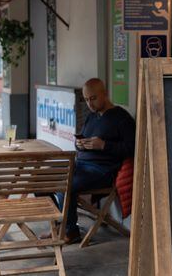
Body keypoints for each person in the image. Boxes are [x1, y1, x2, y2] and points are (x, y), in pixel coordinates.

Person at [48, 78, 136, 243]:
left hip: (102, 170)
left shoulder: (121, 118)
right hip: (81, 165)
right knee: (46, 179)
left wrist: (104, 145)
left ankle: (71, 231)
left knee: (65, 186)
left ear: (105, 93)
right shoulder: (92, 117)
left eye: (93, 98)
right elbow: (82, 141)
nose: (90, 103)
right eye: (86, 99)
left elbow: (131, 149)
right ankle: (59, 224)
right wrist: (79, 144)